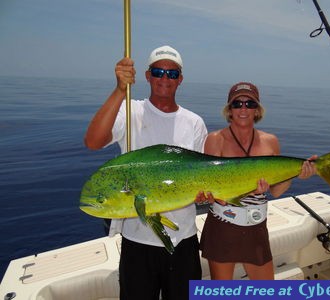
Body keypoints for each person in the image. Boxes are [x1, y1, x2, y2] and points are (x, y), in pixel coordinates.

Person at [84, 45, 207, 300]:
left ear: (180, 80)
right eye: (159, 72)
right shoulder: (130, 111)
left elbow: (201, 175)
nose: (165, 79)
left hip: (183, 239)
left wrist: (205, 196)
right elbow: (93, 142)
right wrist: (120, 89)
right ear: (148, 75)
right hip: (137, 242)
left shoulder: (193, 122)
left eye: (172, 74)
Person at [198, 82, 317, 280]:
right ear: (229, 109)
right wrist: (239, 192)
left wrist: (297, 174)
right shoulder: (215, 139)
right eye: (237, 104)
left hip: (256, 226)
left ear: (257, 109)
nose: (243, 109)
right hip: (223, 225)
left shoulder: (271, 141)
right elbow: (213, 192)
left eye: (249, 103)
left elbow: (277, 191)